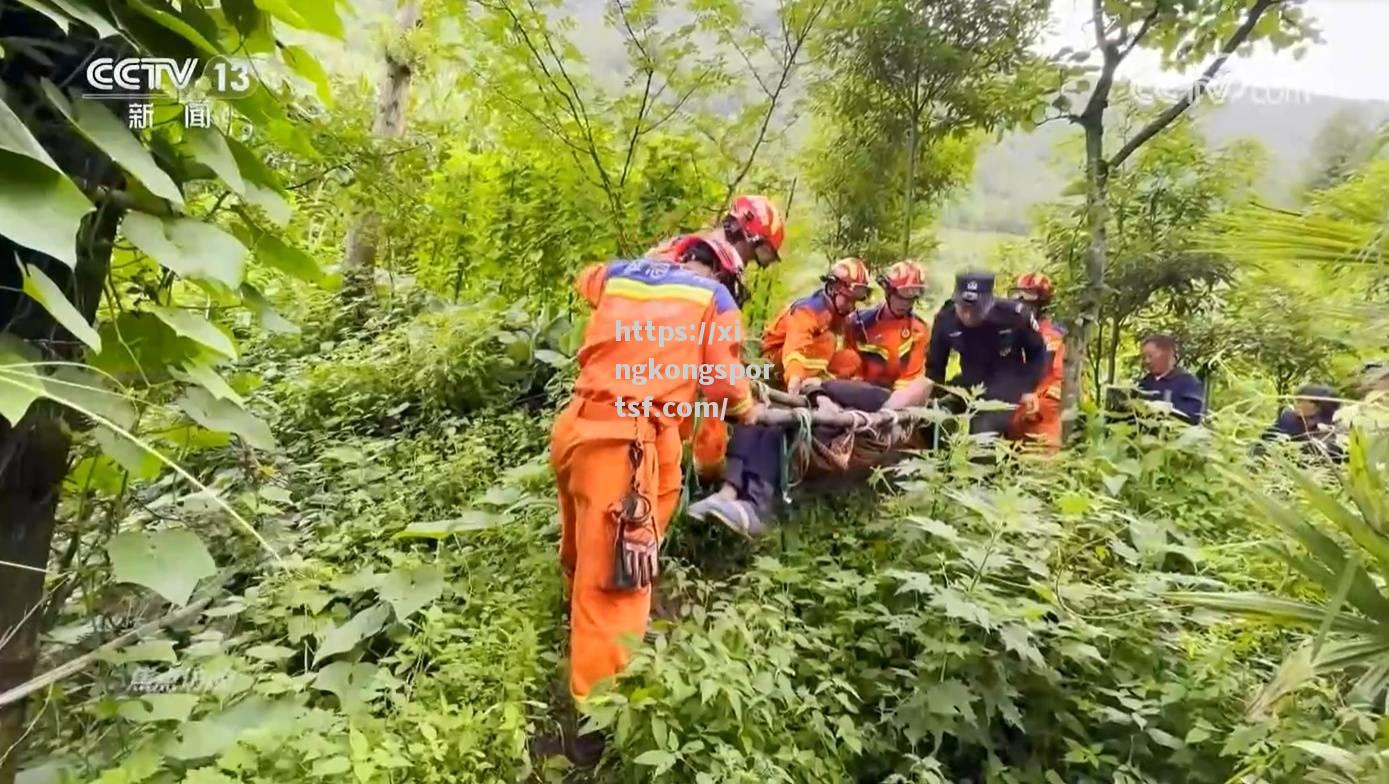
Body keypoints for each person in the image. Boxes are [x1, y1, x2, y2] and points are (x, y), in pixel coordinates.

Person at [549, 231, 764, 761]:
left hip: (578, 428)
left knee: (582, 548)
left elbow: (587, 279)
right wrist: (747, 408)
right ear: (722, 272)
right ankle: (596, 729)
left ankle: (571, 626)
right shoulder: (714, 299)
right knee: (615, 586)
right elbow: (721, 384)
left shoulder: (621, 273)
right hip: (622, 450)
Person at [684, 258, 871, 538]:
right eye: (849, 296)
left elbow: (831, 361)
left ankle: (736, 497)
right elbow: (794, 352)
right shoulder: (809, 312)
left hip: (802, 383)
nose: (852, 304)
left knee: (847, 359)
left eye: (857, 298)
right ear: (833, 289)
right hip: (777, 376)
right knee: (769, 424)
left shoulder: (838, 321)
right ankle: (742, 498)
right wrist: (797, 389)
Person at [649, 195, 785, 480]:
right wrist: (742, 401)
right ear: (745, 233)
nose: (753, 262)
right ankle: (703, 480)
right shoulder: (711, 264)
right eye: (759, 252)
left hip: (642, 360)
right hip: (671, 364)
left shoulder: (678, 248)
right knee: (709, 417)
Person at [925, 271, 1048, 437]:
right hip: (969, 381)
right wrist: (932, 400)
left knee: (983, 432)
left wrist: (1029, 389)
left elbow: (1038, 352)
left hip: (1007, 384)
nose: (968, 315)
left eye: (976, 309)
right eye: (964, 308)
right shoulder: (946, 318)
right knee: (931, 419)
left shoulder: (1014, 315)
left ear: (989, 303)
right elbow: (935, 366)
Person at [761, 257, 871, 394]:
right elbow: (795, 347)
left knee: (851, 358)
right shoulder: (807, 310)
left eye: (854, 302)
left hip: (809, 359)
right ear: (833, 289)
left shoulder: (840, 315)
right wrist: (794, 379)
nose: (851, 306)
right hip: (777, 358)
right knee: (828, 340)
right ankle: (803, 384)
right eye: (848, 300)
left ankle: (821, 383)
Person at [1006, 273, 1066, 452]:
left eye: (1028, 300)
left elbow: (1059, 381)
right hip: (1007, 420)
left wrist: (1036, 407)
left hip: (1041, 421)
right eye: (1018, 297)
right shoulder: (1005, 332)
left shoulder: (1055, 337)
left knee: (1041, 473)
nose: (1021, 304)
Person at [1256, 383, 1344, 461]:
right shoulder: (1288, 419)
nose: (1295, 404)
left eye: (1300, 401)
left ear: (1316, 405)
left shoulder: (1334, 431)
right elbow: (1263, 444)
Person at [1133, 334, 1205, 425]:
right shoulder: (1145, 383)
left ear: (1167, 354)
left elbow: (1192, 416)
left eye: (1151, 356)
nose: (1147, 361)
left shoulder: (1188, 382)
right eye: (1144, 357)